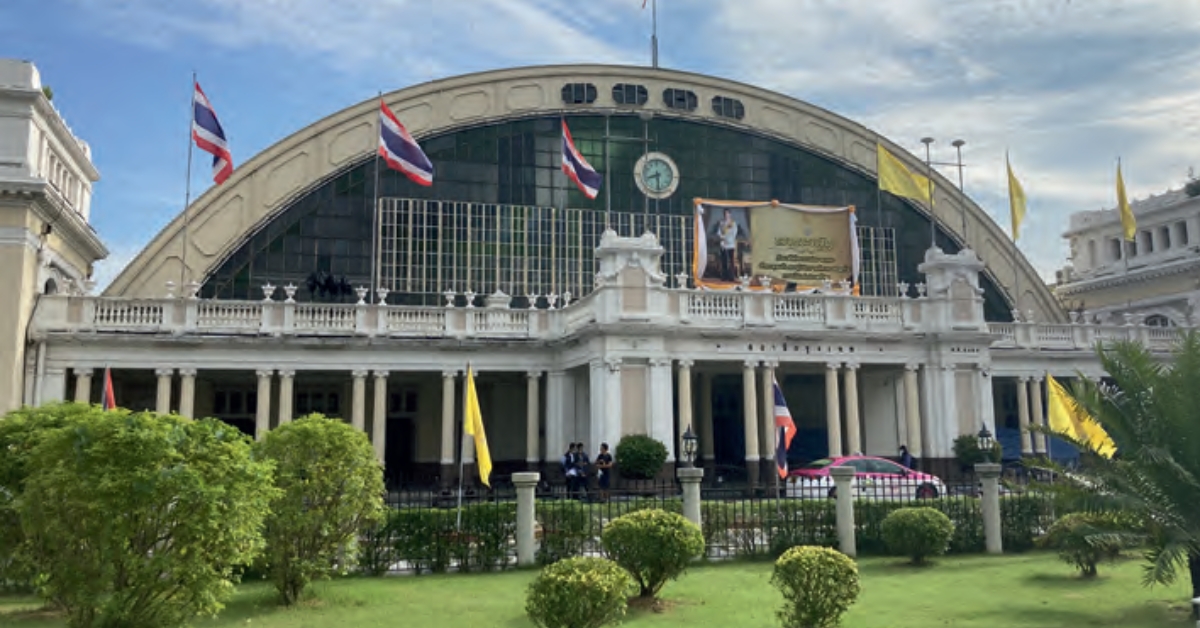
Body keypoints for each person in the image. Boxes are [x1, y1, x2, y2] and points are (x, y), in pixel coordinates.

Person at [717, 209, 740, 281]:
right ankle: (724, 276)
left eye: (727, 214)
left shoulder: (733, 223)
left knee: (731, 261)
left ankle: (731, 276)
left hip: (730, 244)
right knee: (724, 260)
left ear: (730, 214)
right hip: (723, 244)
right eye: (725, 214)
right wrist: (721, 237)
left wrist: (728, 238)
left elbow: (734, 233)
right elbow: (719, 232)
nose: (726, 215)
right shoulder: (722, 223)